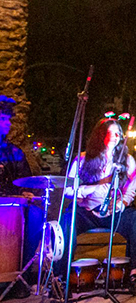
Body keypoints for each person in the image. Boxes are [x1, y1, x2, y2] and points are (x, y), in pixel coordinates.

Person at [60, 116, 136, 295]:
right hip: (88, 211)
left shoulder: (128, 160)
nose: (116, 136)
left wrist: (120, 204)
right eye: (111, 133)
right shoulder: (82, 159)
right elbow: (68, 191)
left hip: (114, 212)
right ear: (100, 135)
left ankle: (134, 273)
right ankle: (61, 275)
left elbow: (130, 192)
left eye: (118, 133)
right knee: (68, 218)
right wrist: (92, 189)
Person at [0, 96, 43, 289]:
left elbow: (24, 182)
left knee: (36, 216)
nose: (8, 124)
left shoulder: (14, 152)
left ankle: (19, 276)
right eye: (3, 119)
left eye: (8, 120)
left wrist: (26, 192)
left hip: (10, 207)